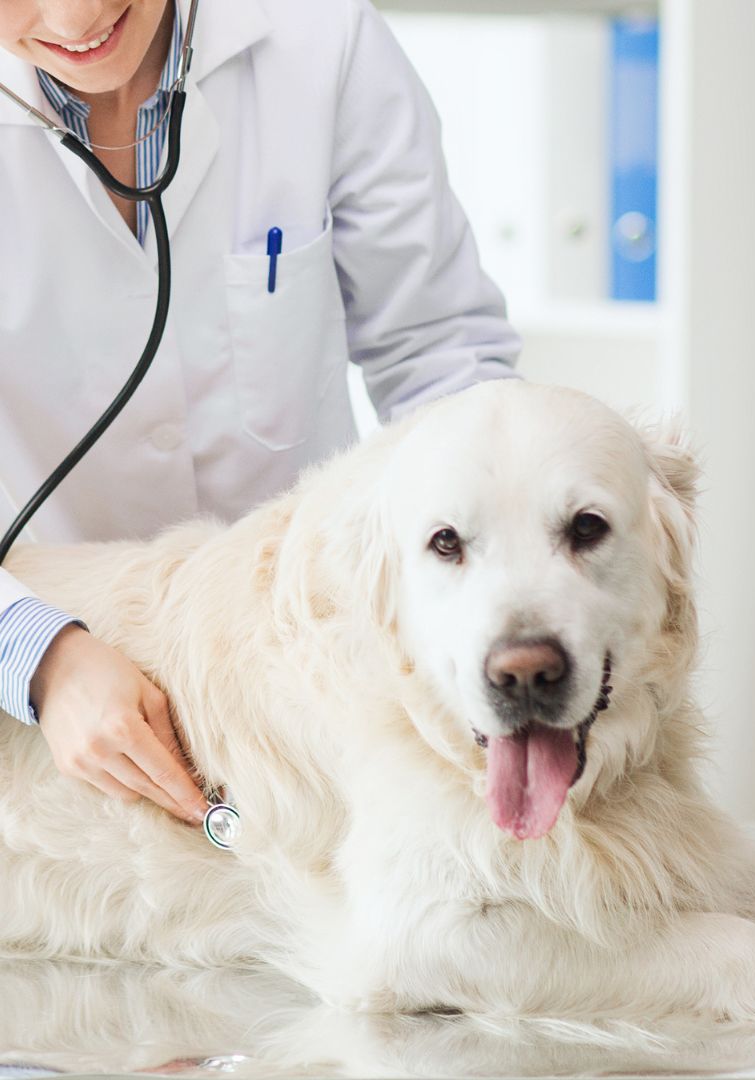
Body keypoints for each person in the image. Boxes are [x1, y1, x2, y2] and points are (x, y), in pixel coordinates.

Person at [0, 0, 521, 826]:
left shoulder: (322, 40)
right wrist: (39, 657)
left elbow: (440, 354)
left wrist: (486, 593)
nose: (77, 14)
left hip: (314, 658)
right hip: (60, 696)